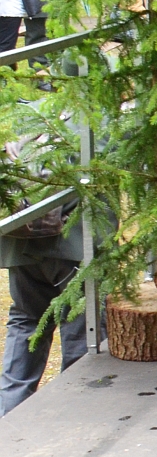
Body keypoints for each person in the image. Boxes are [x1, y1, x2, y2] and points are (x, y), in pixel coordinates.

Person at [1, 153, 88, 414]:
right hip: (72, 244)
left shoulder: (14, 129)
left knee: (26, 319)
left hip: (20, 243)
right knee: (80, 324)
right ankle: (76, 410)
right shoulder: (85, 127)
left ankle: (8, 413)